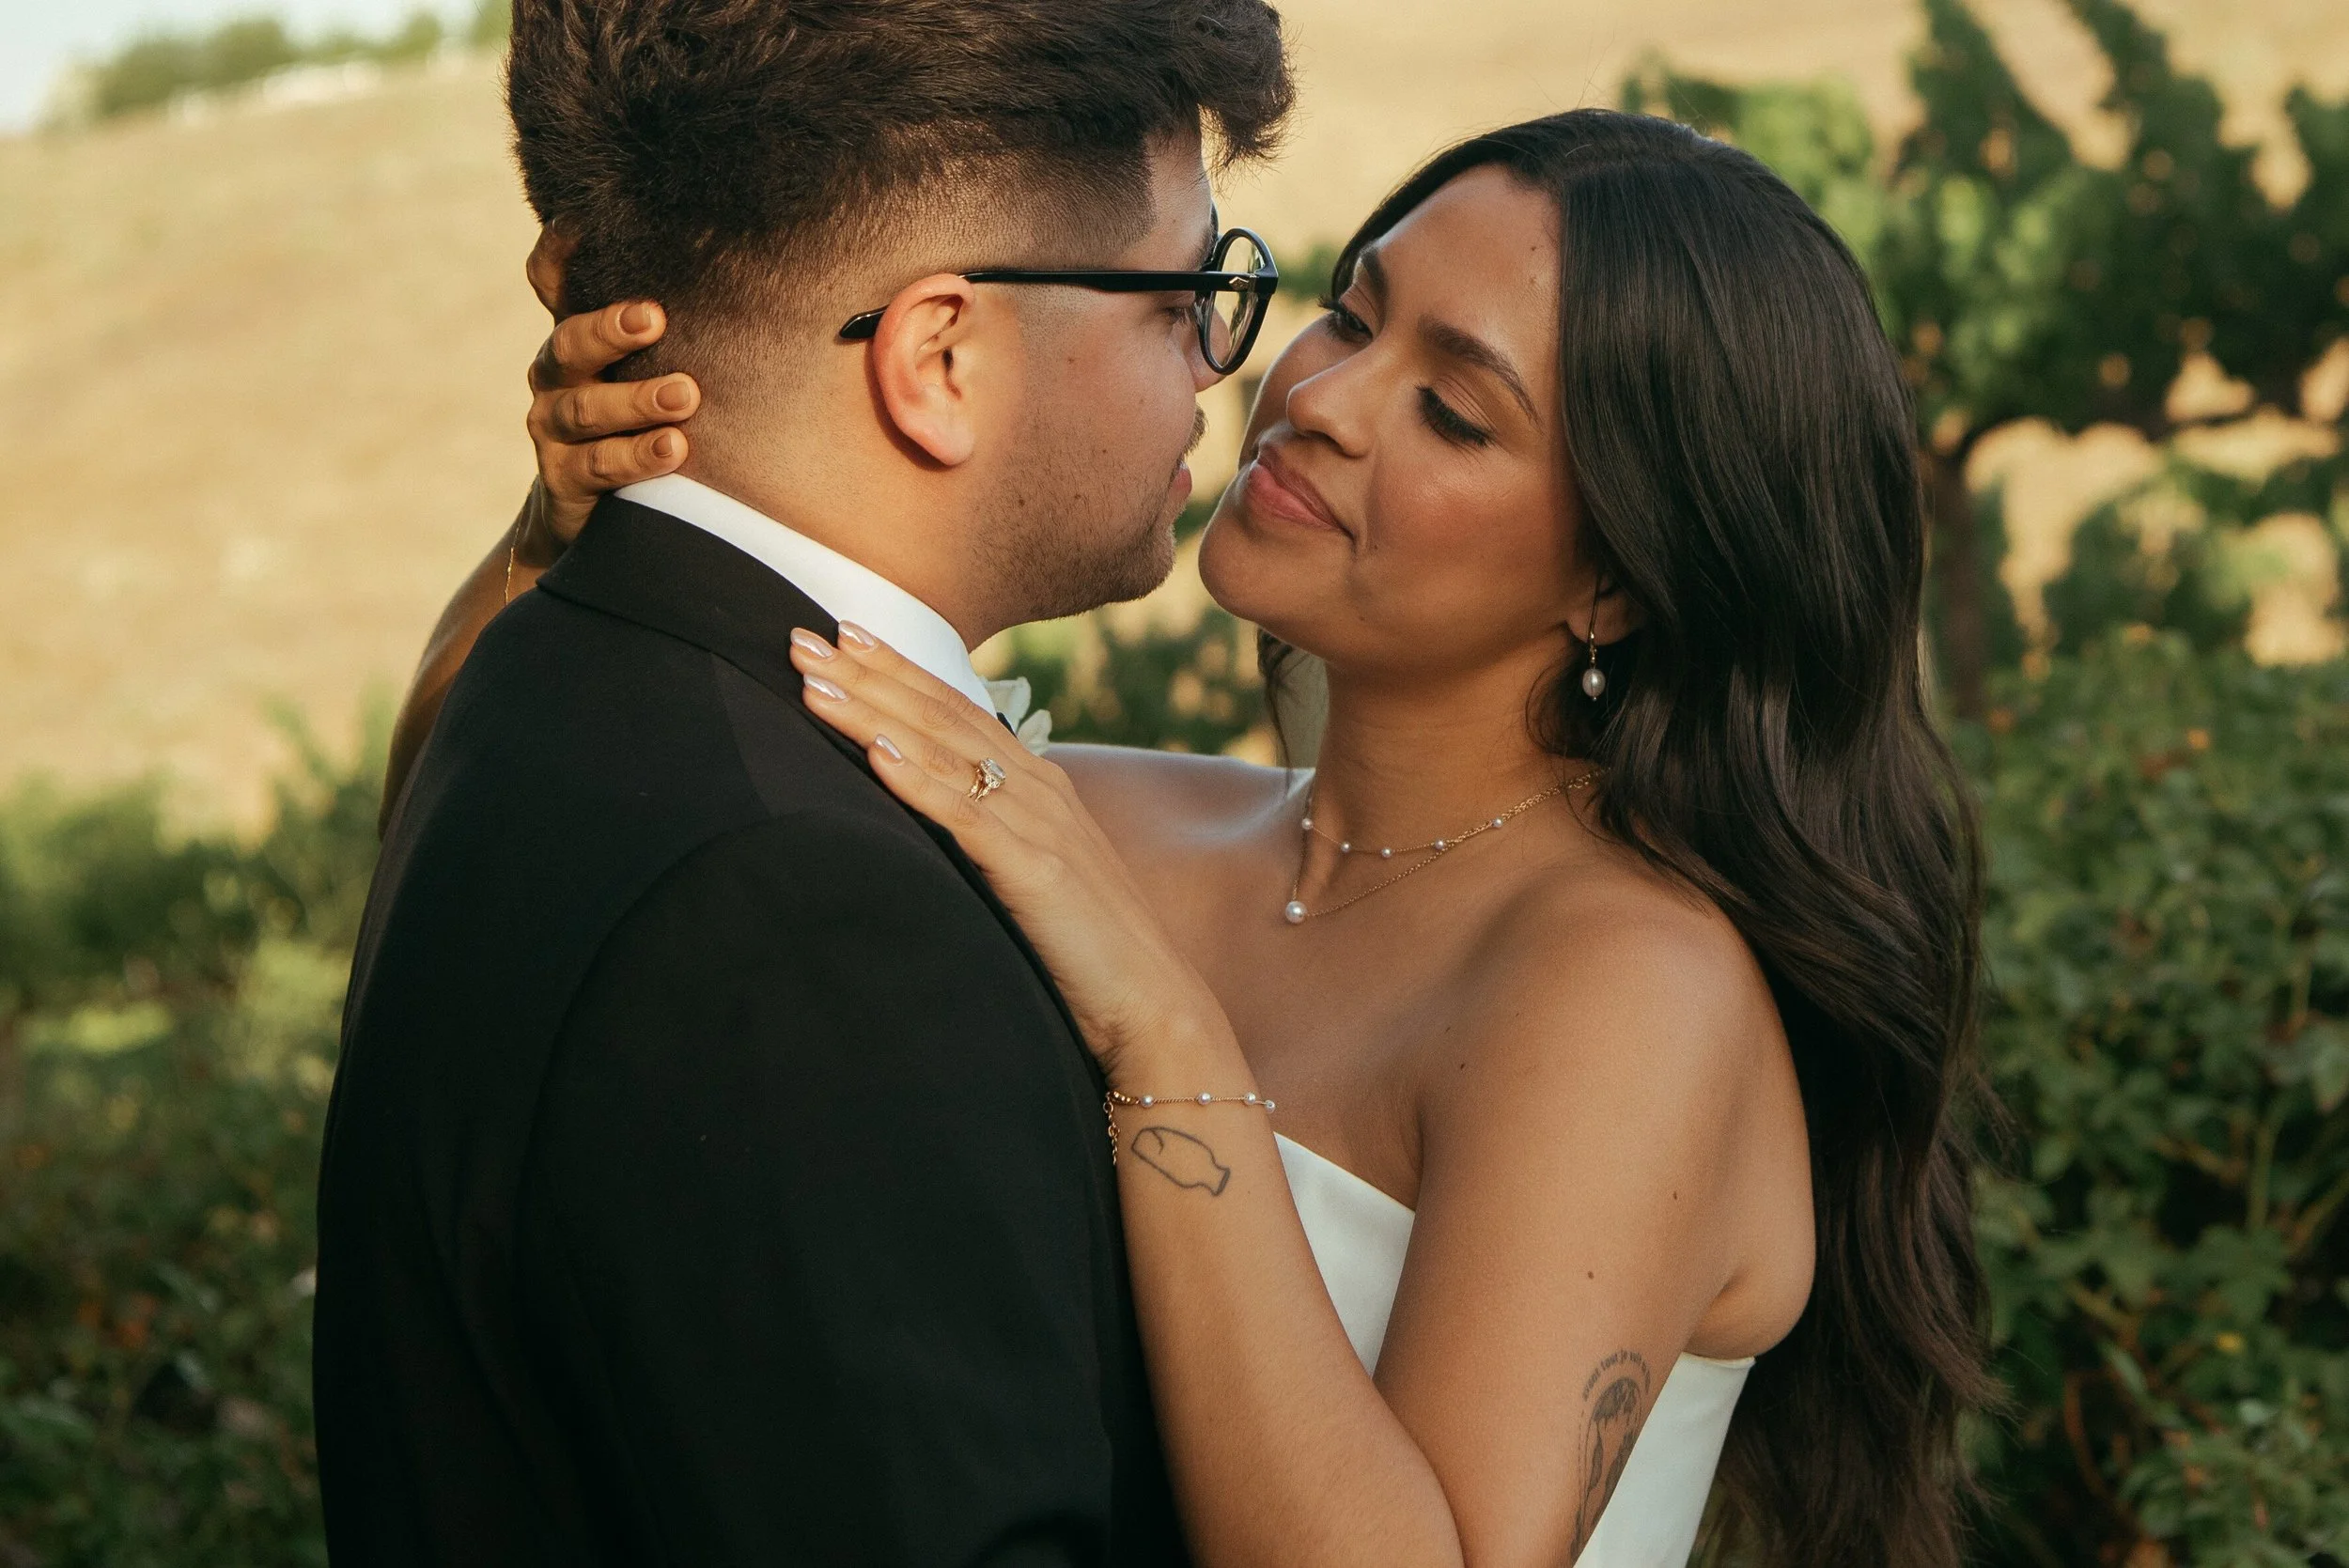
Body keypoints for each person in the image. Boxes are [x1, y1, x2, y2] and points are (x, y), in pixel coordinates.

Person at [407, 116, 1996, 1568]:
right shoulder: (1092, 818)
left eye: (1451, 408)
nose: (1313, 399)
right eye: (1354, 314)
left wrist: (1162, 1026)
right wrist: (562, 537)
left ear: (1621, 582)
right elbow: (533, 822)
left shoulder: (1628, 985)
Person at [316, 2, 1292, 1562]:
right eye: (1187, 289)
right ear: (943, 358)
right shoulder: (802, 914)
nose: (1220, 365)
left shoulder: (547, 669)